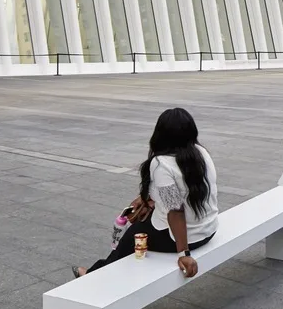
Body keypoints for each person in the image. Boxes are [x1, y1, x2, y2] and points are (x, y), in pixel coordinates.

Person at [75, 108, 218, 278]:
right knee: (139, 229)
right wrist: (147, 199)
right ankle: (100, 271)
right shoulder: (201, 152)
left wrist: (184, 254)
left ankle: (95, 276)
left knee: (131, 236)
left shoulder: (162, 163)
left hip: (186, 238)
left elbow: (176, 210)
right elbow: (182, 191)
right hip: (209, 229)